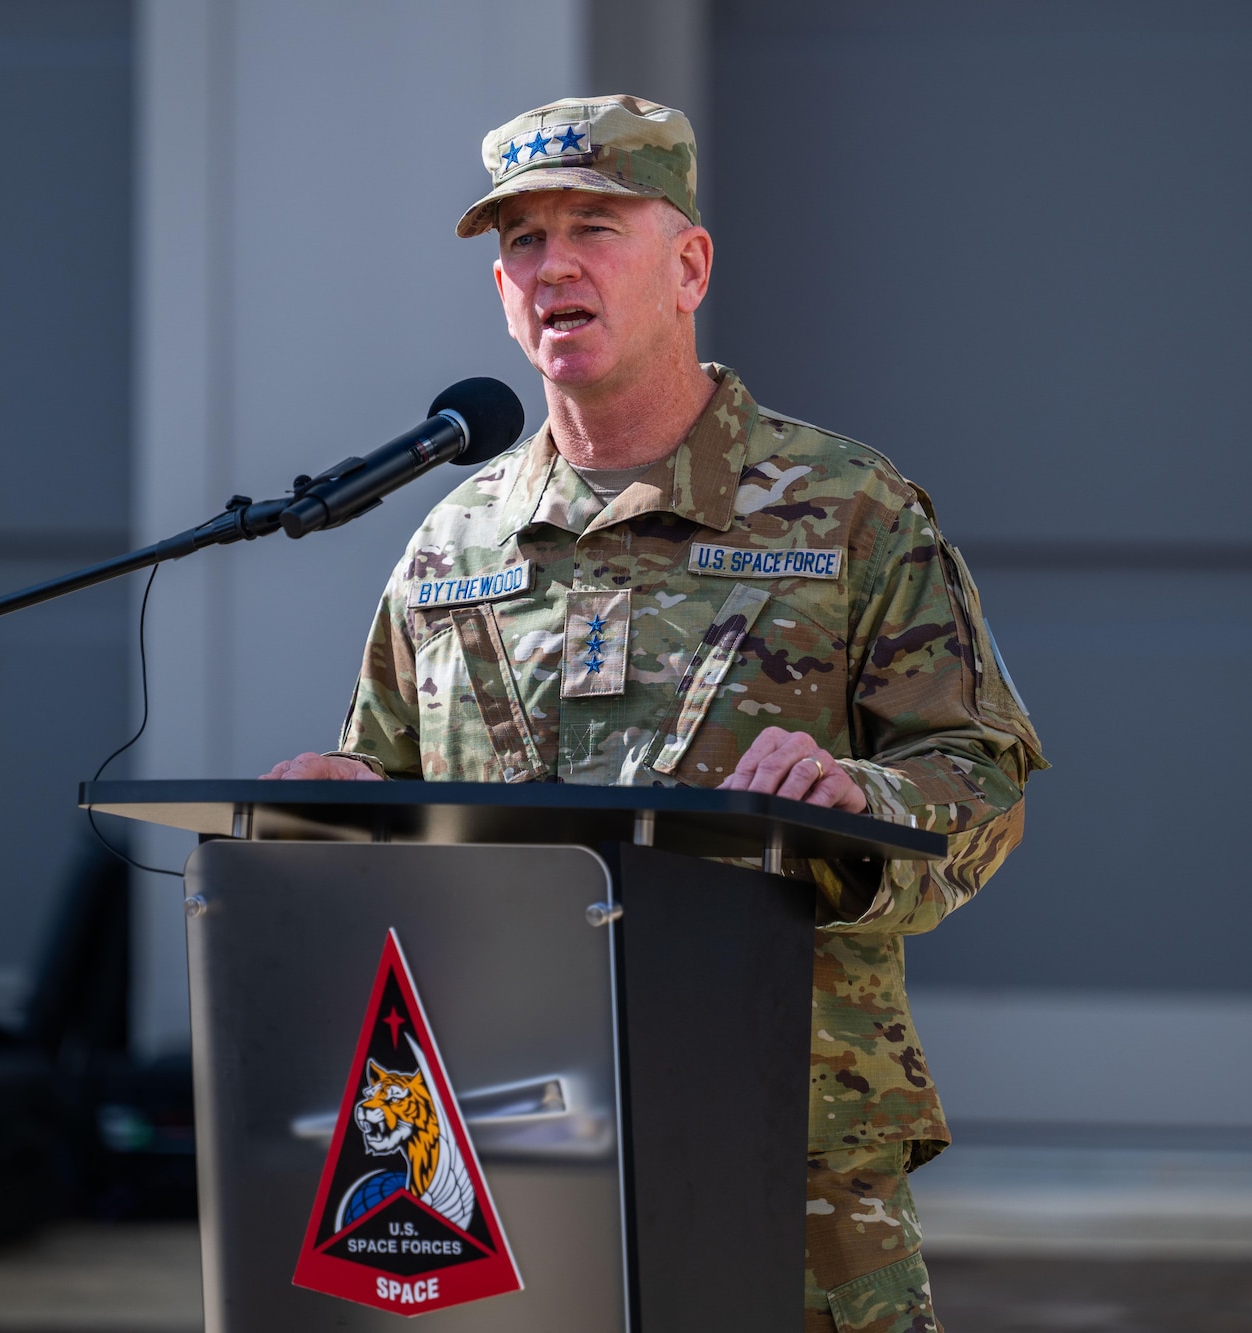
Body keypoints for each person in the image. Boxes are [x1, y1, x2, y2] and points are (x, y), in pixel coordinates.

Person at [264, 94, 1045, 1333]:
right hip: (507, 1131)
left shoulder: (845, 509)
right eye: (518, 241)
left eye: (591, 225)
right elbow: (389, 779)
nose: (550, 263)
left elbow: (980, 773)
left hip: (784, 1132)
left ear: (688, 266)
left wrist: (863, 801)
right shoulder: (455, 538)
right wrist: (336, 818)